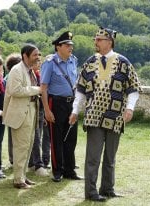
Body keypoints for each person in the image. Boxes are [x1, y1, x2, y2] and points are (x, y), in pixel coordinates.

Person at [69, 27, 141, 202]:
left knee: (110, 156)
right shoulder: (89, 62)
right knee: (93, 157)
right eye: (96, 39)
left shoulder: (123, 63)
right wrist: (74, 111)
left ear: (109, 42)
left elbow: (134, 88)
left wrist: (130, 108)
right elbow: (80, 90)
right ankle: (91, 192)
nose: (96, 42)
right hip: (94, 116)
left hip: (116, 116)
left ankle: (108, 188)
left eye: (99, 40)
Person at [40, 31, 82, 182]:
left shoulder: (73, 61)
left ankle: (70, 170)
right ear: (58, 47)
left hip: (71, 103)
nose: (70, 47)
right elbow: (43, 87)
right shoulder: (50, 62)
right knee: (56, 139)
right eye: (67, 45)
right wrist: (46, 110)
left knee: (71, 138)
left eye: (71, 45)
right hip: (56, 103)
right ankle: (57, 171)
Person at [3, 44, 41, 189]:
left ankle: (22, 176)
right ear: (25, 56)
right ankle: (18, 180)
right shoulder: (17, 70)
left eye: (38, 54)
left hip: (30, 110)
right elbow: (15, 90)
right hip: (21, 113)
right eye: (34, 55)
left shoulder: (29, 70)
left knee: (28, 145)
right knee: (21, 146)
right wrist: (38, 89)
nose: (37, 57)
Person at [28, 59, 49, 177]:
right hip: (33, 110)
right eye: (36, 61)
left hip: (40, 110)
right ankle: (38, 164)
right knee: (36, 138)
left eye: (40, 61)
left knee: (38, 137)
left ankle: (31, 162)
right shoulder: (30, 76)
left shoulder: (39, 75)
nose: (39, 63)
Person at [3, 53, 22, 166]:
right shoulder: (10, 77)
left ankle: (14, 158)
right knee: (13, 136)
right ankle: (13, 158)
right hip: (13, 109)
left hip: (14, 109)